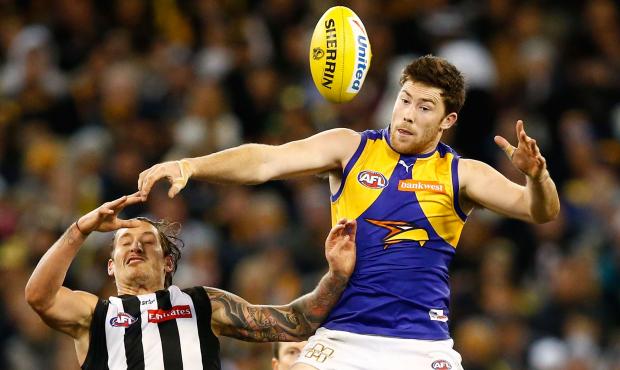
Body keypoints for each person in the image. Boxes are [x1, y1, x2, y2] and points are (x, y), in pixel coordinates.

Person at [137, 55, 560, 369]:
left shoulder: (461, 173)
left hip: (421, 346)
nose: (408, 115)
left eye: (424, 107)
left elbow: (538, 211)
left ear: (447, 119)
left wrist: (537, 177)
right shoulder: (350, 148)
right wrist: (189, 165)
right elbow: (266, 160)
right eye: (405, 99)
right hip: (344, 338)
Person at [25, 192, 357, 370]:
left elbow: (295, 323)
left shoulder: (202, 304)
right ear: (111, 267)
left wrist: (337, 276)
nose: (136, 245)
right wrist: (80, 229)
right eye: (124, 242)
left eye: (148, 241)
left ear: (168, 262)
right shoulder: (94, 314)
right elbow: (40, 296)